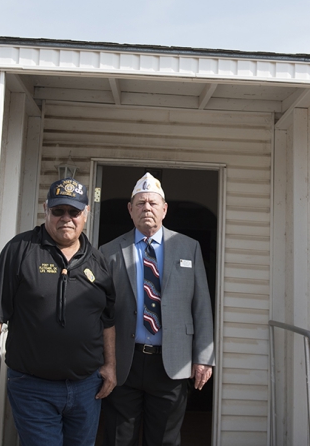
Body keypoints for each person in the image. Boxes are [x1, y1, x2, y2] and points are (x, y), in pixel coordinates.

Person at [0, 178, 117, 446]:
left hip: (86, 388)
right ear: (45, 209)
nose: (67, 219)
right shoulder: (20, 250)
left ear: (86, 213)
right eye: (58, 211)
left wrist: (110, 366)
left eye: (74, 212)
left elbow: (107, 320)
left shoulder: (99, 262)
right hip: (33, 388)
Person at [99, 172, 214, 446]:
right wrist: (103, 360)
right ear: (130, 210)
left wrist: (204, 357)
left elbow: (202, 306)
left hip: (171, 363)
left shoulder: (189, 247)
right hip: (124, 362)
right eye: (140, 203)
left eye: (152, 203)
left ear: (164, 209)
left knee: (164, 439)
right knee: (118, 438)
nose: (146, 208)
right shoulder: (109, 251)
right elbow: (101, 310)